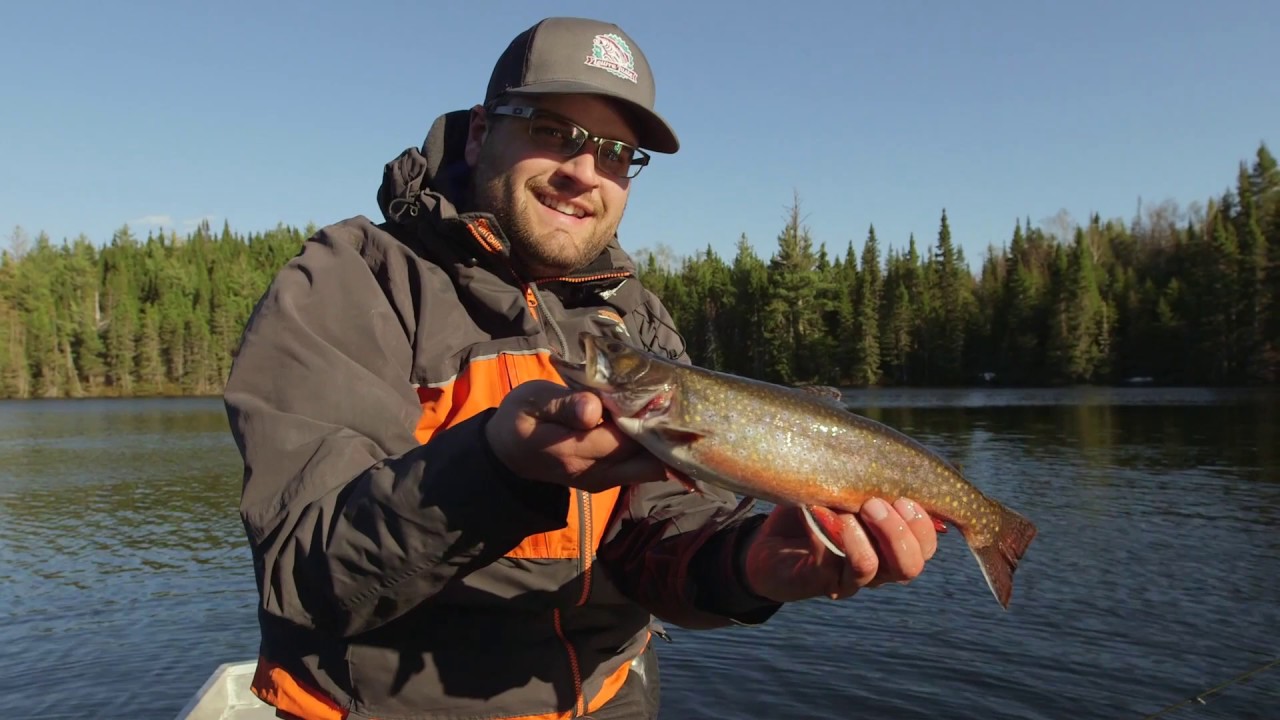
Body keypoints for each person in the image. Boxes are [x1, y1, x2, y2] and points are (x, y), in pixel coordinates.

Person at [223, 16, 938, 720]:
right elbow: (306, 573)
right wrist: (500, 467)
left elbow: (652, 539)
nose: (582, 172)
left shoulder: (634, 317)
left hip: (609, 704)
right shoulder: (353, 281)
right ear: (480, 133)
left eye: (616, 152)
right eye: (550, 131)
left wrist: (748, 565)